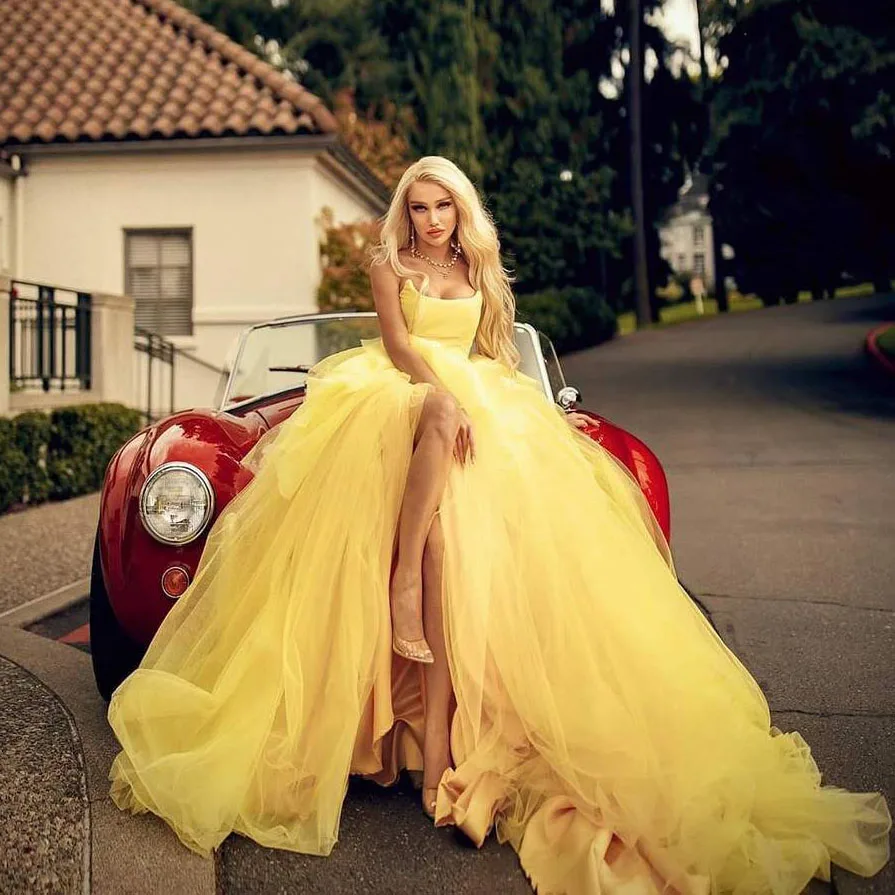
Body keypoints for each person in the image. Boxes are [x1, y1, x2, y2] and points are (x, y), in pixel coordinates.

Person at [107, 156, 891, 894]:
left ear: (461, 209)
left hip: (478, 413)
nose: (431, 218)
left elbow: (496, 353)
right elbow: (397, 344)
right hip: (395, 401)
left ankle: (438, 730)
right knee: (441, 457)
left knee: (459, 547)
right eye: (418, 206)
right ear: (403, 212)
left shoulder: (474, 268)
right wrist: (440, 396)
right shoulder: (391, 265)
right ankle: (406, 613)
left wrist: (522, 418)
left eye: (443, 204)